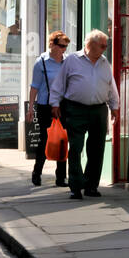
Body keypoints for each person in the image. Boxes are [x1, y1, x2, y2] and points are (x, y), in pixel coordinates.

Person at [49, 29, 120, 200]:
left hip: (98, 109)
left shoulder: (104, 63)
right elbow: (59, 83)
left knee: (96, 149)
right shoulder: (72, 61)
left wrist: (115, 106)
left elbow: (111, 86)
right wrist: (55, 103)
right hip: (76, 108)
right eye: (102, 45)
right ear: (90, 45)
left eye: (105, 45)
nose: (105, 49)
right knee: (76, 148)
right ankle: (75, 186)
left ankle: (91, 186)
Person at [28, 31, 71, 187]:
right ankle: (37, 172)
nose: (64, 49)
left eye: (66, 46)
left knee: (62, 140)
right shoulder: (41, 62)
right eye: (61, 46)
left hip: (63, 106)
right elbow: (34, 87)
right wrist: (31, 108)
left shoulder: (67, 61)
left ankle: (61, 177)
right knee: (45, 140)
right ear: (52, 44)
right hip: (45, 106)